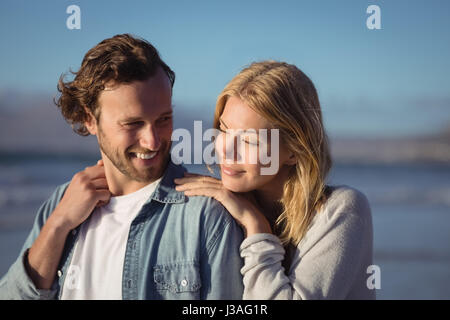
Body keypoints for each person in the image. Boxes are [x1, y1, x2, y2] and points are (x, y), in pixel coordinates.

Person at [0, 34, 244, 300]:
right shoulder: (60, 204)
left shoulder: (205, 216)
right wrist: (58, 225)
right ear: (89, 119)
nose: (152, 141)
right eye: (132, 124)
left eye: (164, 119)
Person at [175, 61, 375, 299]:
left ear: (294, 150)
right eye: (224, 130)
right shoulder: (223, 208)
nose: (226, 149)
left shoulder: (342, 210)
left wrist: (257, 226)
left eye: (249, 141)